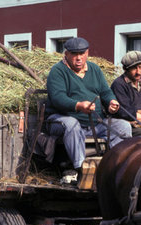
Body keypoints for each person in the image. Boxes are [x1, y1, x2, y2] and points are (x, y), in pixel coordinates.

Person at [46, 37, 131, 175]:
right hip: (61, 120)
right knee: (72, 124)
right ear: (66, 54)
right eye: (74, 54)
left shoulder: (94, 69)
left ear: (87, 53)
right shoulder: (57, 71)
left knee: (123, 126)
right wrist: (78, 105)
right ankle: (81, 169)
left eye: (82, 53)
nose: (79, 58)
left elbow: (105, 92)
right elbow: (57, 98)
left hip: (94, 124)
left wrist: (111, 102)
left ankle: (116, 167)